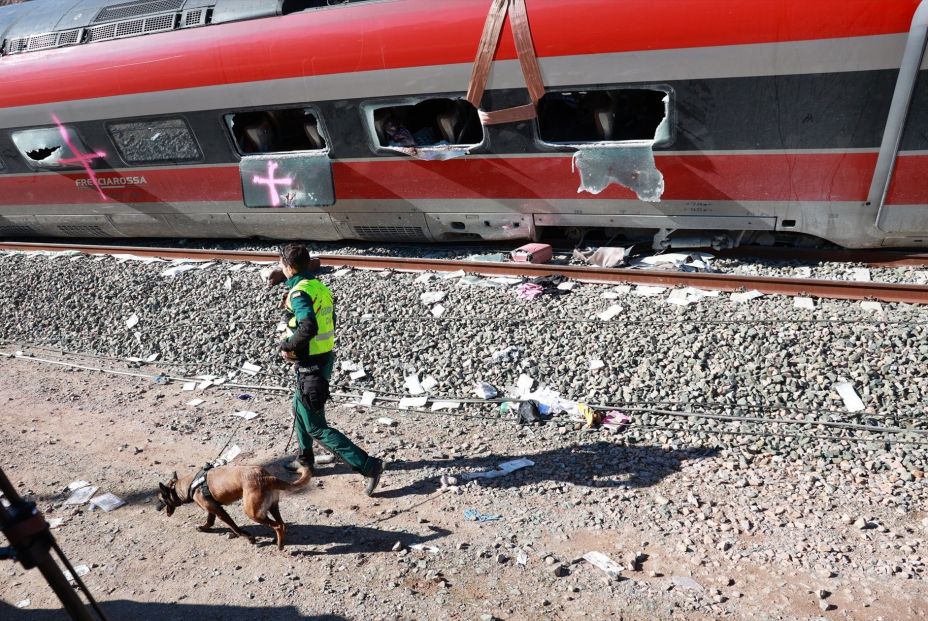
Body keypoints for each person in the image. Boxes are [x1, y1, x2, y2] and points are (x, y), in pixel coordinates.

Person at [276, 244, 384, 496]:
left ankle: (369, 465)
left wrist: (288, 347)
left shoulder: (299, 293)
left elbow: (309, 326)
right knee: (298, 406)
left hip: (311, 363)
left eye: (281, 264)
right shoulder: (317, 286)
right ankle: (305, 460)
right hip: (322, 357)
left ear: (289, 267)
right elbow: (328, 321)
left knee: (315, 425)